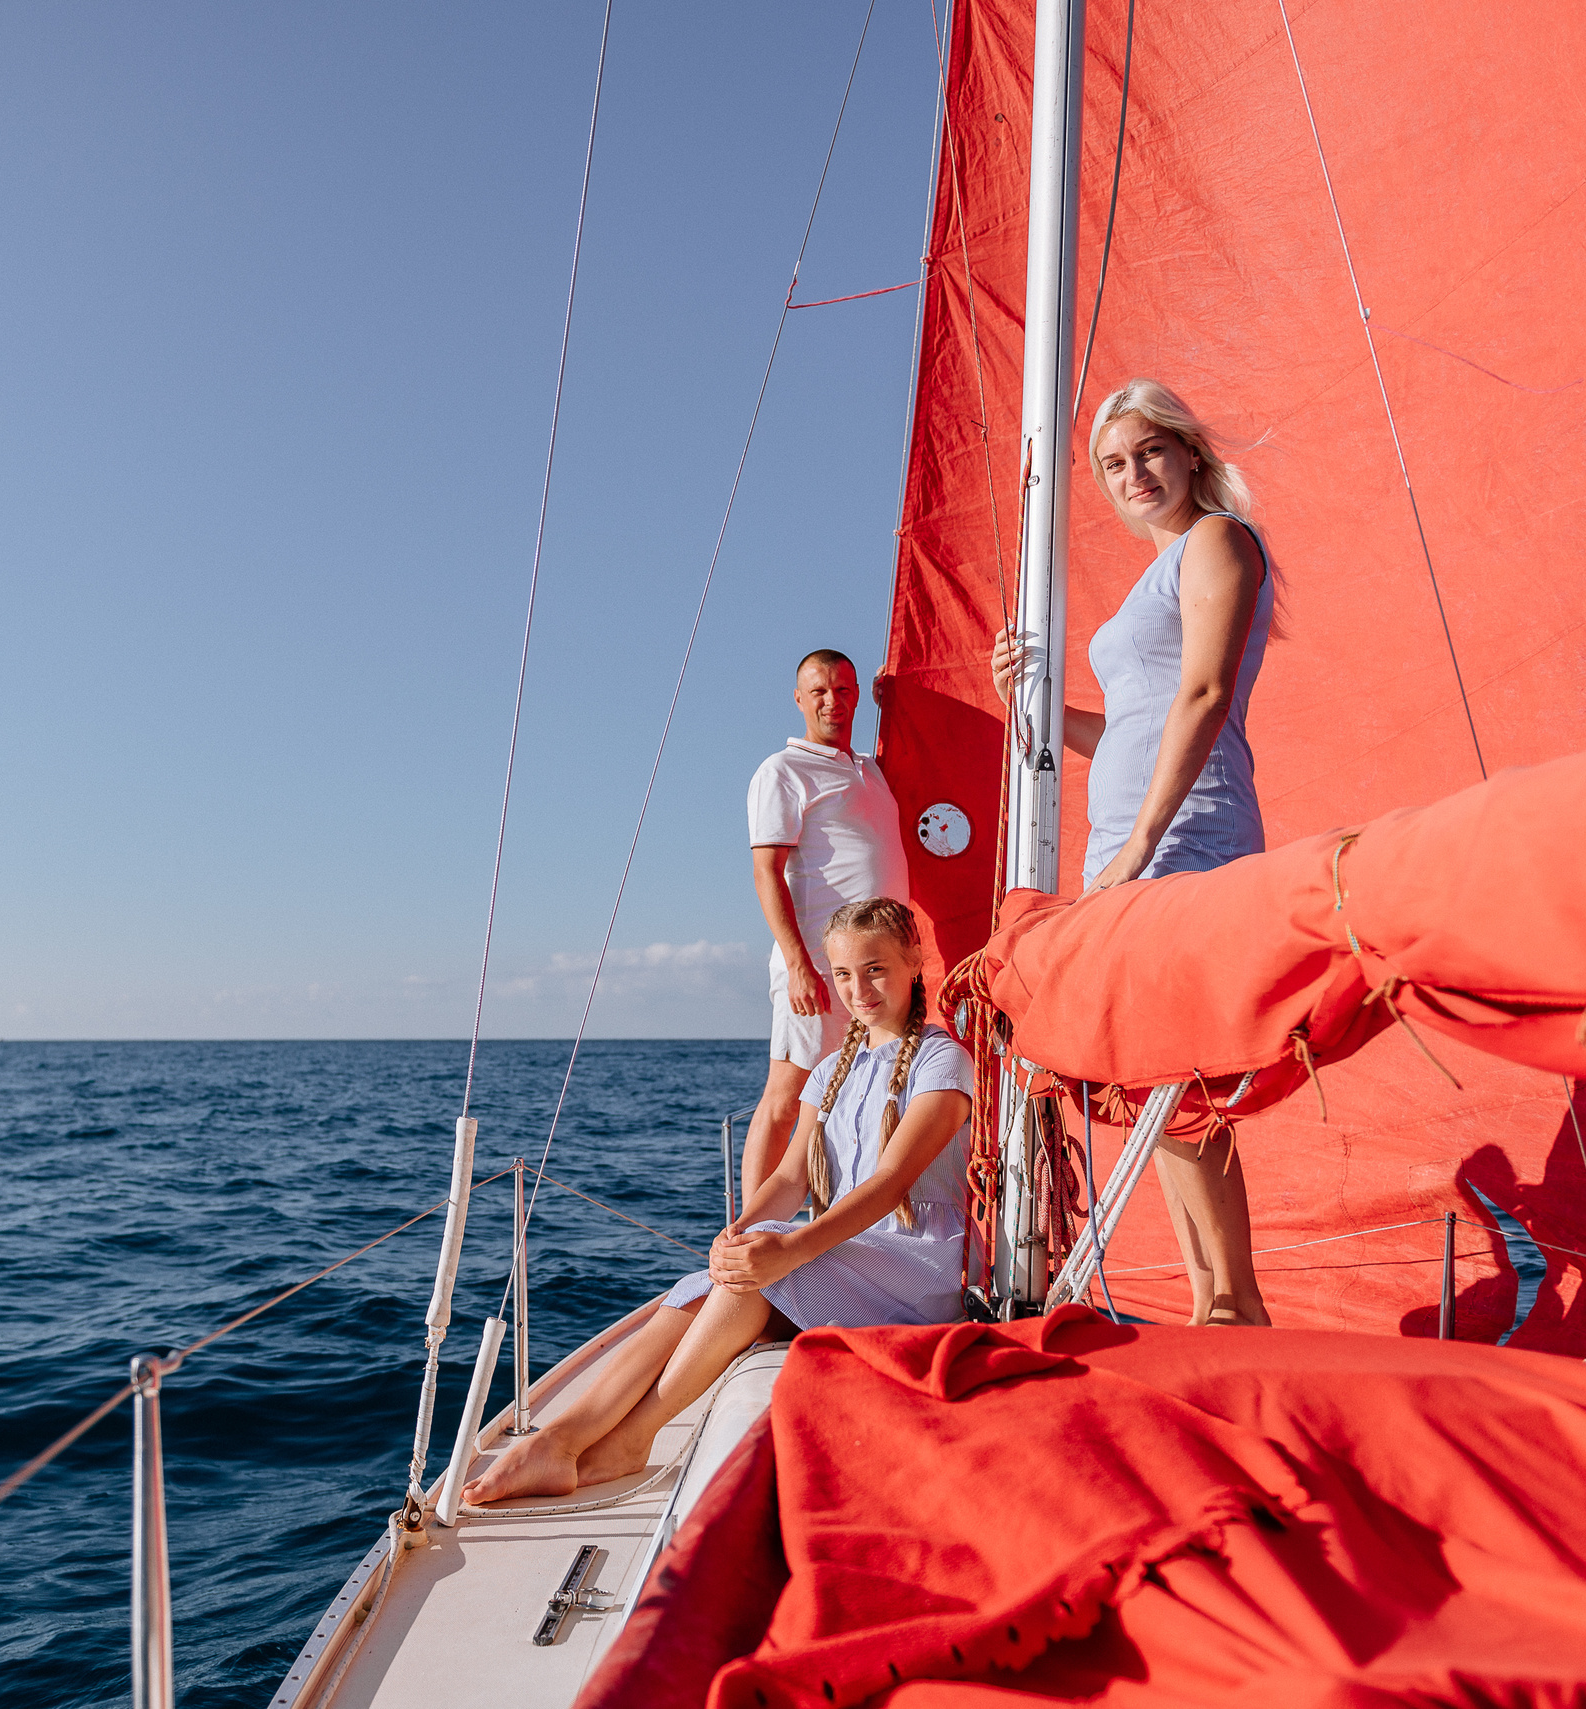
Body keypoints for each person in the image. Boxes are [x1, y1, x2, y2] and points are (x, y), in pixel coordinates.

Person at [461, 898, 968, 1506]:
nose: (858, 988)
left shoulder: (944, 1061)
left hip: (912, 1263)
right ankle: (561, 1440)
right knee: (714, 1275)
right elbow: (788, 1175)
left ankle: (632, 1441)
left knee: (752, 1278)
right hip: (845, 1249)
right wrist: (739, 1232)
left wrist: (790, 1246)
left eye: (876, 969)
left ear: (915, 961)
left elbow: (889, 1182)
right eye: (842, 974)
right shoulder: (832, 1066)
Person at [990, 377, 1279, 1328]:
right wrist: (1028, 702)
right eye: (1114, 464)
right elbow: (1124, 727)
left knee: (1182, 1071)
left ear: (1190, 452)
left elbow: (1201, 697)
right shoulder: (1152, 577)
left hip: (1184, 836)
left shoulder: (1217, 543)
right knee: (1153, 1068)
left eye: (1149, 451)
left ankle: (1235, 1300)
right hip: (1126, 845)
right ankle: (1212, 1297)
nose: (1133, 474)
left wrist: (1143, 844)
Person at [743, 650, 910, 1203]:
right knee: (788, 1093)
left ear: (858, 695)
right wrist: (798, 964)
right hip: (818, 965)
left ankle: (828, 1227)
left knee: (853, 1093)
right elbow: (766, 870)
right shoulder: (783, 771)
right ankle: (750, 1231)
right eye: (819, 692)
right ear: (799, 699)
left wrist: (899, 706)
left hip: (875, 968)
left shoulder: (869, 769)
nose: (832, 701)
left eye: (843, 690)